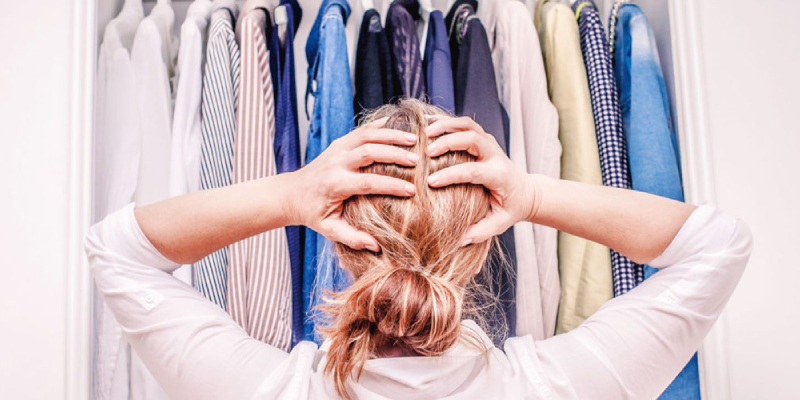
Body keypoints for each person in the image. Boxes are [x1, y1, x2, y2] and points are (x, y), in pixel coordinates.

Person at [85, 99, 752, 400]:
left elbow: (117, 250)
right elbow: (717, 246)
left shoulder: (266, 390)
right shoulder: (557, 386)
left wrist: (291, 195)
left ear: (344, 240)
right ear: (480, 239)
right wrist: (532, 194)